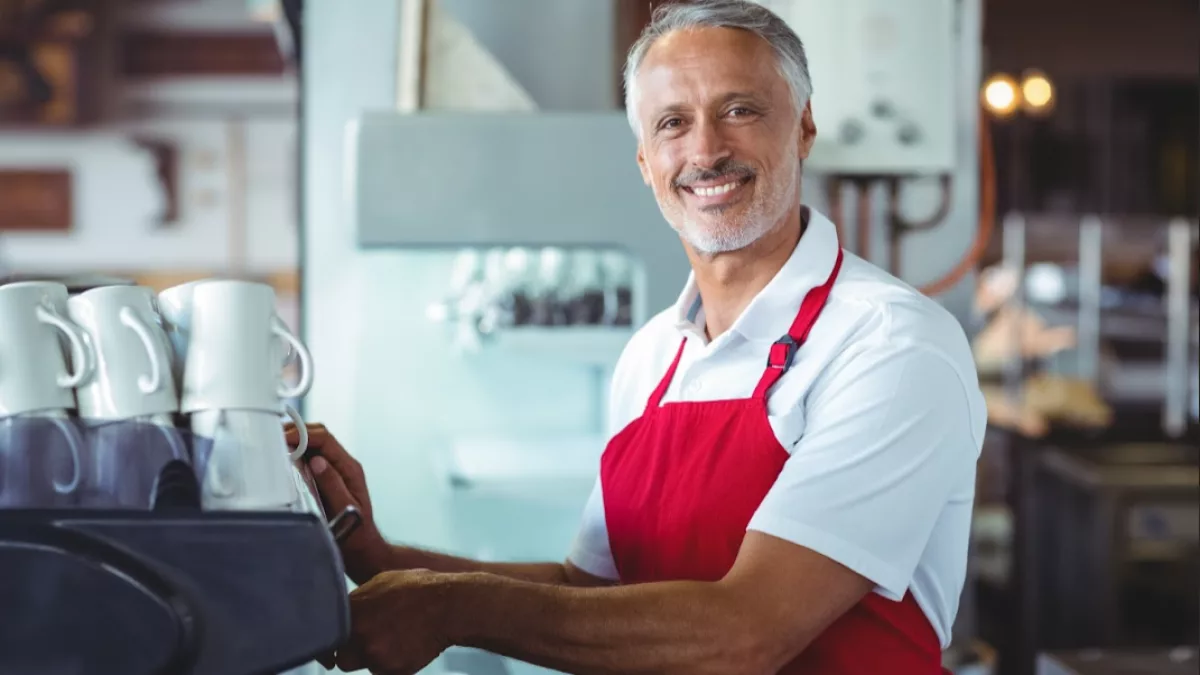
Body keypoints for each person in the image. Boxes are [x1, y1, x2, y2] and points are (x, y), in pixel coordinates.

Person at [288, 1, 986, 673]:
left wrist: (453, 608)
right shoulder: (653, 354)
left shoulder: (891, 345)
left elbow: (745, 634)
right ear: (645, 163)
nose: (706, 150)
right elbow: (592, 590)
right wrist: (380, 559)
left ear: (803, 128)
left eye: (739, 110)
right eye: (672, 124)